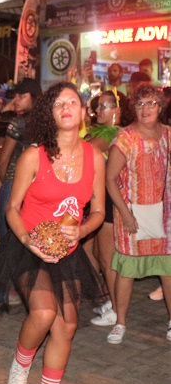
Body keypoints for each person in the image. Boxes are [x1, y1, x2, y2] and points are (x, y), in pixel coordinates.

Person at [0, 81, 105, 384]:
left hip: (68, 251)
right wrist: (27, 240)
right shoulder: (33, 155)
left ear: (83, 112)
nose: (66, 107)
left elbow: (99, 211)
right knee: (43, 313)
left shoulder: (94, 157)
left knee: (67, 324)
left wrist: (82, 231)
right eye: (58, 104)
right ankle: (19, 367)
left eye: (72, 101)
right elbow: (11, 207)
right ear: (50, 115)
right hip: (28, 247)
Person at [105, 83, 171, 344]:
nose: (146, 109)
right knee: (127, 271)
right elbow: (110, 180)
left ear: (160, 106)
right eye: (141, 104)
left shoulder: (168, 135)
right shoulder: (125, 138)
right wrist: (126, 214)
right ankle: (120, 322)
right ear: (133, 108)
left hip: (164, 216)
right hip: (131, 213)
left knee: (167, 270)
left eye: (152, 103)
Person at [0, 77, 42, 314]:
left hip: (17, 185)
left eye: (20, 96)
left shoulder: (22, 122)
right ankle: (27, 298)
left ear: (34, 97)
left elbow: (3, 160)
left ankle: (0, 298)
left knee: (8, 241)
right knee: (25, 241)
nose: (15, 101)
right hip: (33, 187)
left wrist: (8, 184)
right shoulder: (42, 123)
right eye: (14, 96)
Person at [84, 90, 129, 327]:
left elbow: (82, 149)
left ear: (117, 111)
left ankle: (114, 307)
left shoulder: (111, 134)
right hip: (96, 198)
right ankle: (106, 300)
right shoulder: (101, 132)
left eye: (104, 107)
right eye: (98, 107)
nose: (98, 111)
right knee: (90, 252)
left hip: (108, 200)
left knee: (107, 258)